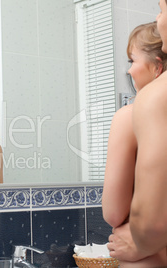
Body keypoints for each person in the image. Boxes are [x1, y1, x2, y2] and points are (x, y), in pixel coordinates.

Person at [103, 21, 167, 267]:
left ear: (156, 67)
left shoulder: (128, 116)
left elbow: (114, 212)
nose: (129, 71)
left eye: (132, 61)